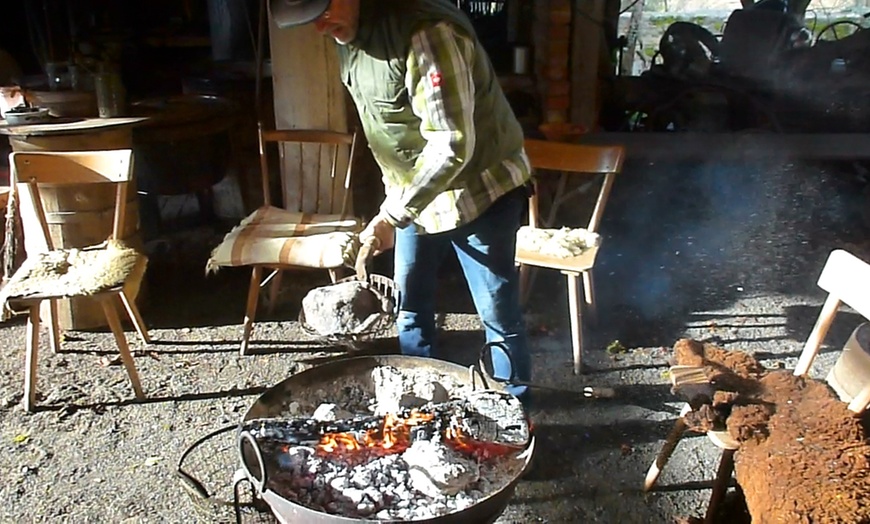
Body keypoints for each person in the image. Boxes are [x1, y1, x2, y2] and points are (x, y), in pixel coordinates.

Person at [271, 0, 533, 399]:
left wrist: (391, 215)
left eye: (323, 11)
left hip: (482, 192)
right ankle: (420, 400)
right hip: (414, 199)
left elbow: (451, 144)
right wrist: (396, 202)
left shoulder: (426, 34)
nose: (320, 28)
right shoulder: (349, 34)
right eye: (309, 20)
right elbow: (390, 131)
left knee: (497, 313)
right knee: (410, 307)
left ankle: (515, 408)